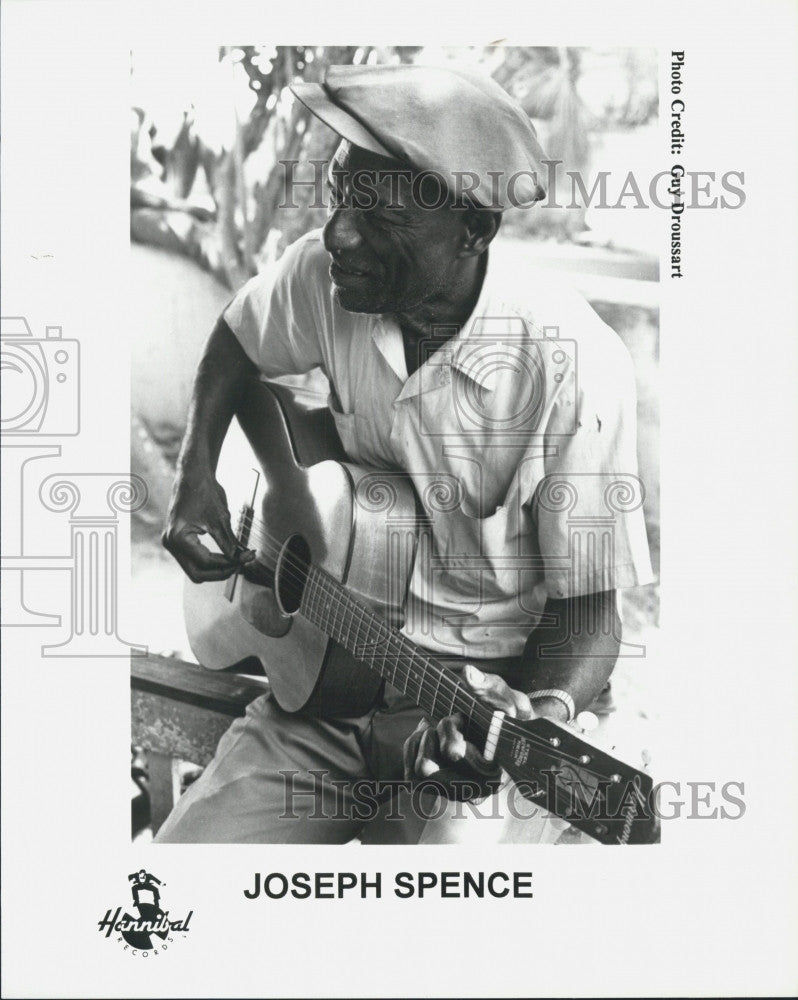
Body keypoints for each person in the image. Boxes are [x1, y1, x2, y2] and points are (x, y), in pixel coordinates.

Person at [157, 64, 653, 844]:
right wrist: (195, 479)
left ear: (474, 232)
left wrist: (541, 714)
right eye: (341, 199)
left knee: (442, 935)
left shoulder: (573, 365)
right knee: (175, 891)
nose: (339, 235)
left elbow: (590, 612)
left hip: (465, 727)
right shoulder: (328, 279)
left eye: (382, 217)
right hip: (317, 703)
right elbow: (236, 338)